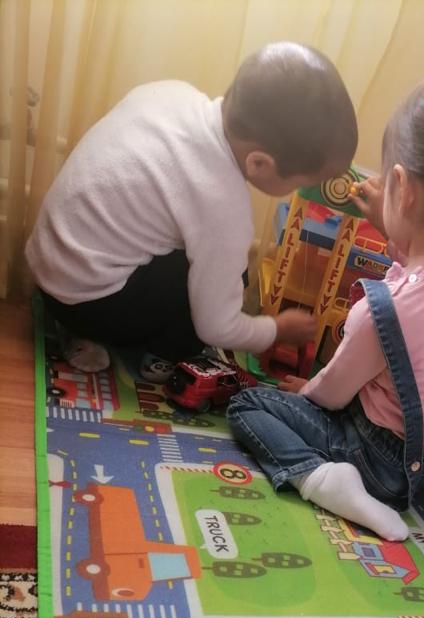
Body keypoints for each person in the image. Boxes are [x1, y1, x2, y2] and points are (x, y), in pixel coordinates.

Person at [228, 73, 424, 541]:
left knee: (248, 404)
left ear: (403, 187)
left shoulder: (386, 311)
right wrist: (390, 224)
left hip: (381, 466)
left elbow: (332, 395)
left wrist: (305, 393)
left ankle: (325, 481)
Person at [25, 43, 357, 381]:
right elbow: (218, 327)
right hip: (86, 303)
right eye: (303, 182)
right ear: (259, 163)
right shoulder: (222, 204)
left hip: (46, 267)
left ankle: (73, 323)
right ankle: (160, 357)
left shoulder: (172, 93)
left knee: (212, 264)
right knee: (229, 282)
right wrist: (275, 329)